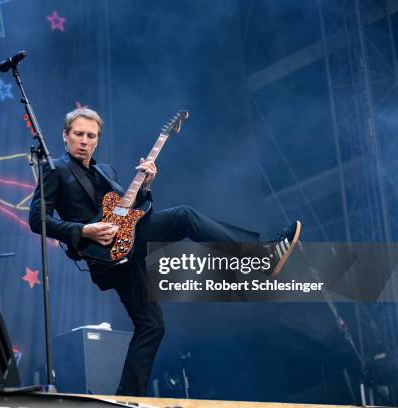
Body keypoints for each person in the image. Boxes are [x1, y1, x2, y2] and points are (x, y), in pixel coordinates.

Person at [29, 108, 301, 396]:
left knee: (152, 325)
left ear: (98, 139)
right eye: (78, 134)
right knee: (183, 219)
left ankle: (128, 398)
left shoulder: (105, 171)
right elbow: (38, 220)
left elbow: (132, 212)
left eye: (91, 135)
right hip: (101, 255)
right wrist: (84, 230)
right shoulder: (55, 169)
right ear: (65, 135)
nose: (84, 140)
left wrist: (146, 186)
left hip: (128, 243)